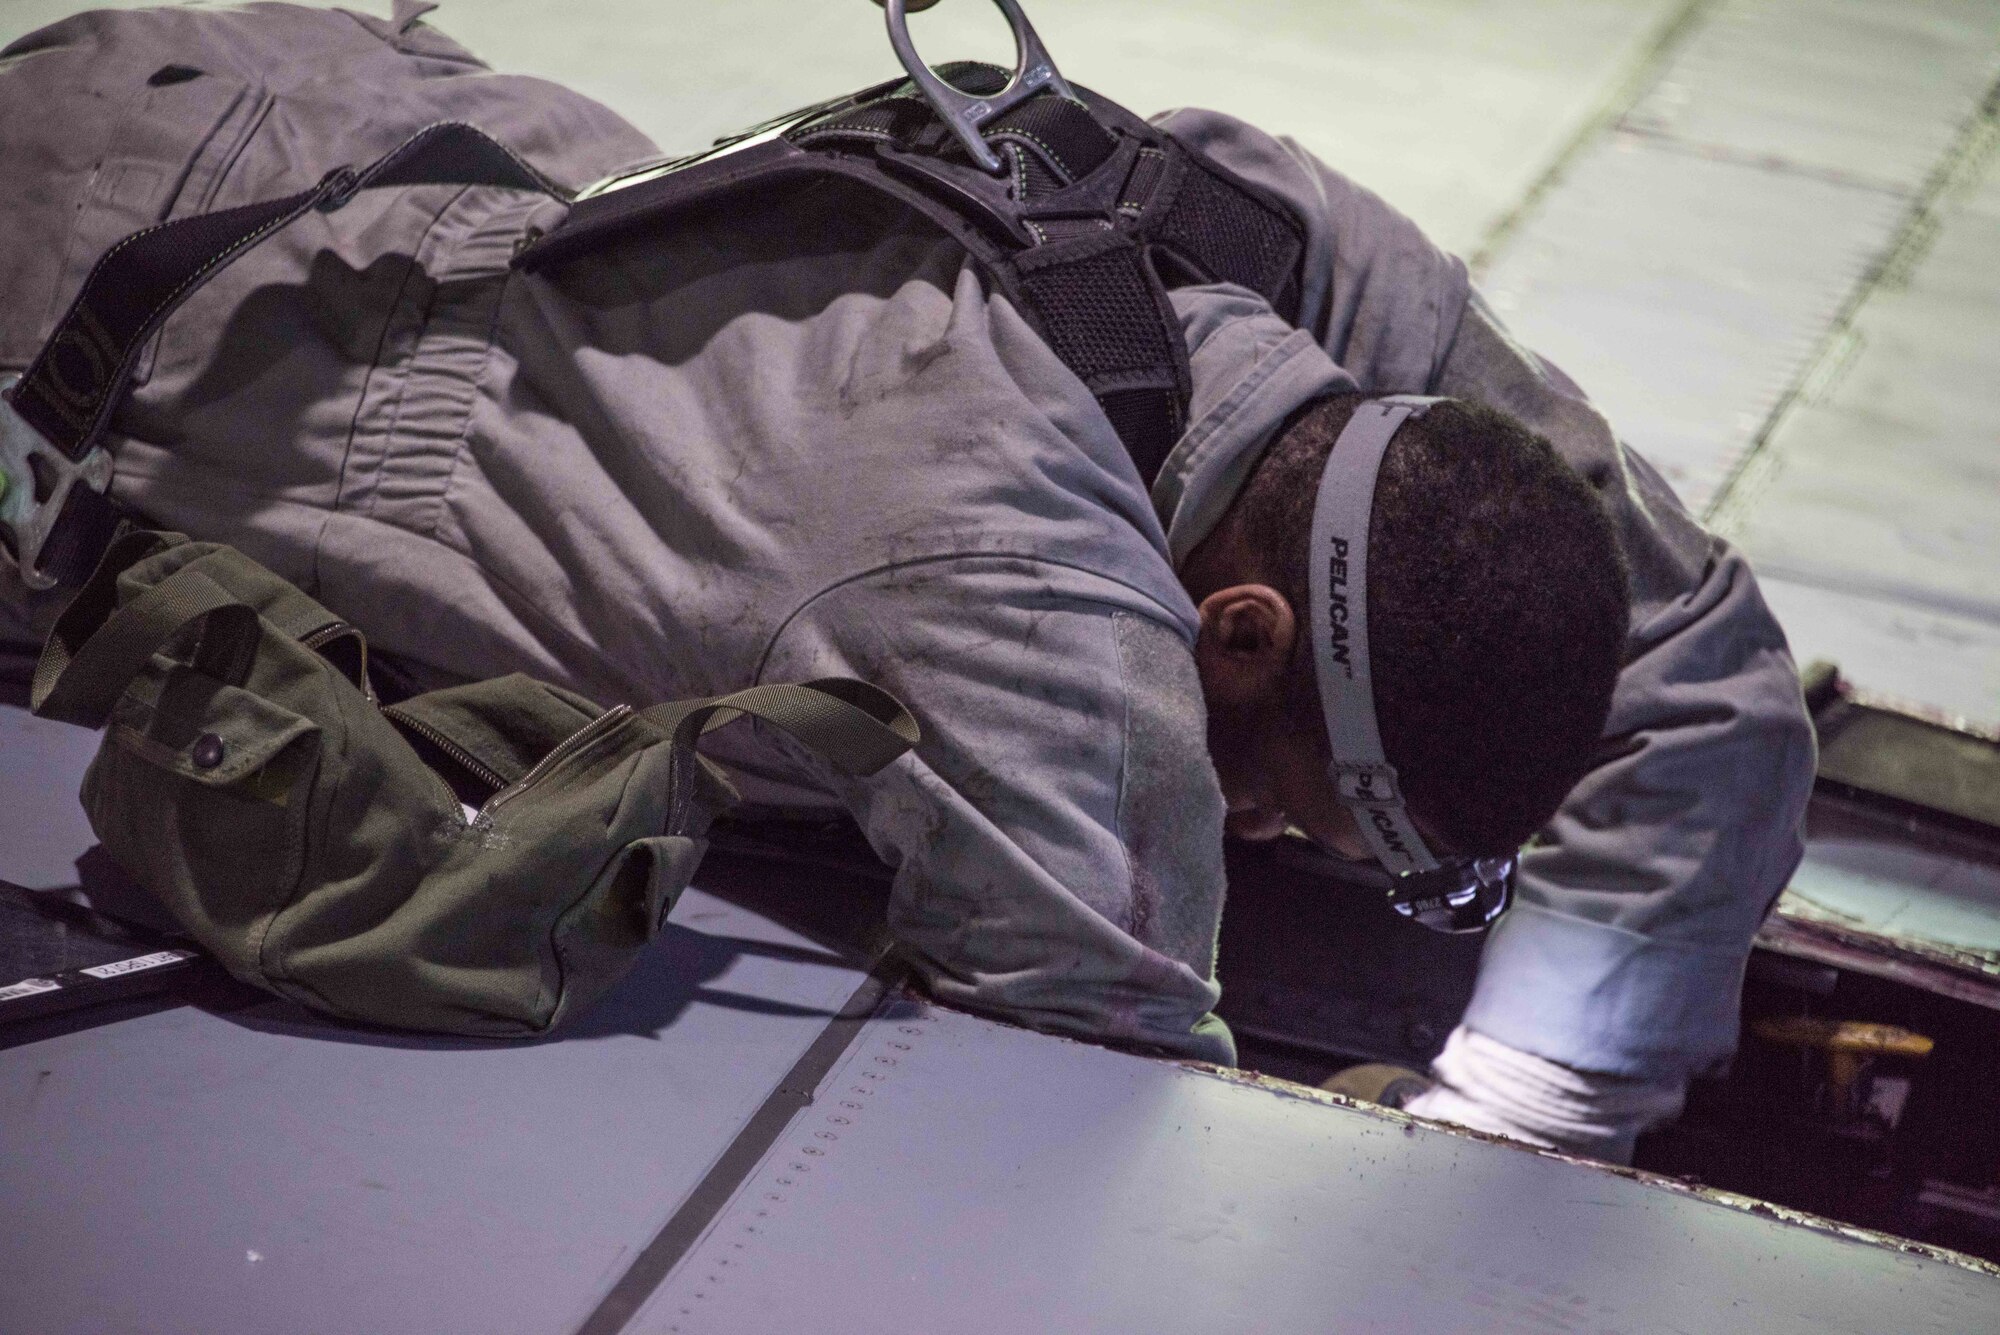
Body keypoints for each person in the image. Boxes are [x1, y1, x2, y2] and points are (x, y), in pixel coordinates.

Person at [0, 2, 1815, 1162]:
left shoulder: (1283, 248)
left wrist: (1529, 1111)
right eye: (1275, 807)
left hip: (304, 92)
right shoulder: (1019, 603)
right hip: (75, 271)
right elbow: (1090, 1085)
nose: (1244, 839)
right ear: (1235, 634)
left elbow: (1699, 668)